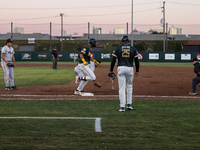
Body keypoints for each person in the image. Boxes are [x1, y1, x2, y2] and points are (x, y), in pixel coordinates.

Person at [110, 35, 139, 112]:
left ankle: (122, 107)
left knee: (122, 88)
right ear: (128, 41)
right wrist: (137, 70)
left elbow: (113, 60)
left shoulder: (118, 48)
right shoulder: (133, 49)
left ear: (122, 41)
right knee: (129, 86)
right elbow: (136, 61)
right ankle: (129, 104)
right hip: (130, 68)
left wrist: (111, 70)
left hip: (121, 68)